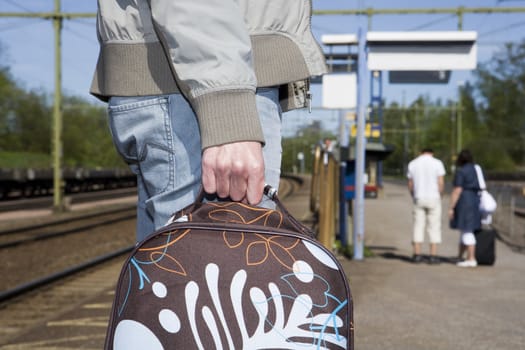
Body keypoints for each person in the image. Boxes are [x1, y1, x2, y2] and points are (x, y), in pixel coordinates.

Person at [90, 1, 327, 241]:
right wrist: (227, 109)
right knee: (224, 269)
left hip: (194, 74)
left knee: (176, 269)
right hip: (207, 77)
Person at [407, 148, 446, 264]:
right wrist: (440, 195)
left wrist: (413, 195)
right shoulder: (437, 163)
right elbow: (441, 182)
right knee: (434, 226)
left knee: (418, 225)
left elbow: (410, 183)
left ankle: (417, 254)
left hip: (419, 197)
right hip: (434, 197)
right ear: (432, 153)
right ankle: (433, 256)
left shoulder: (413, 163)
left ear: (421, 152)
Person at [449, 149, 482, 267]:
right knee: (466, 230)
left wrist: (451, 207)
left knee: (467, 230)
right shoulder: (475, 169)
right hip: (474, 200)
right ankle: (461, 256)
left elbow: (457, 190)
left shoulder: (461, 171)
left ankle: (471, 258)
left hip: (465, 201)